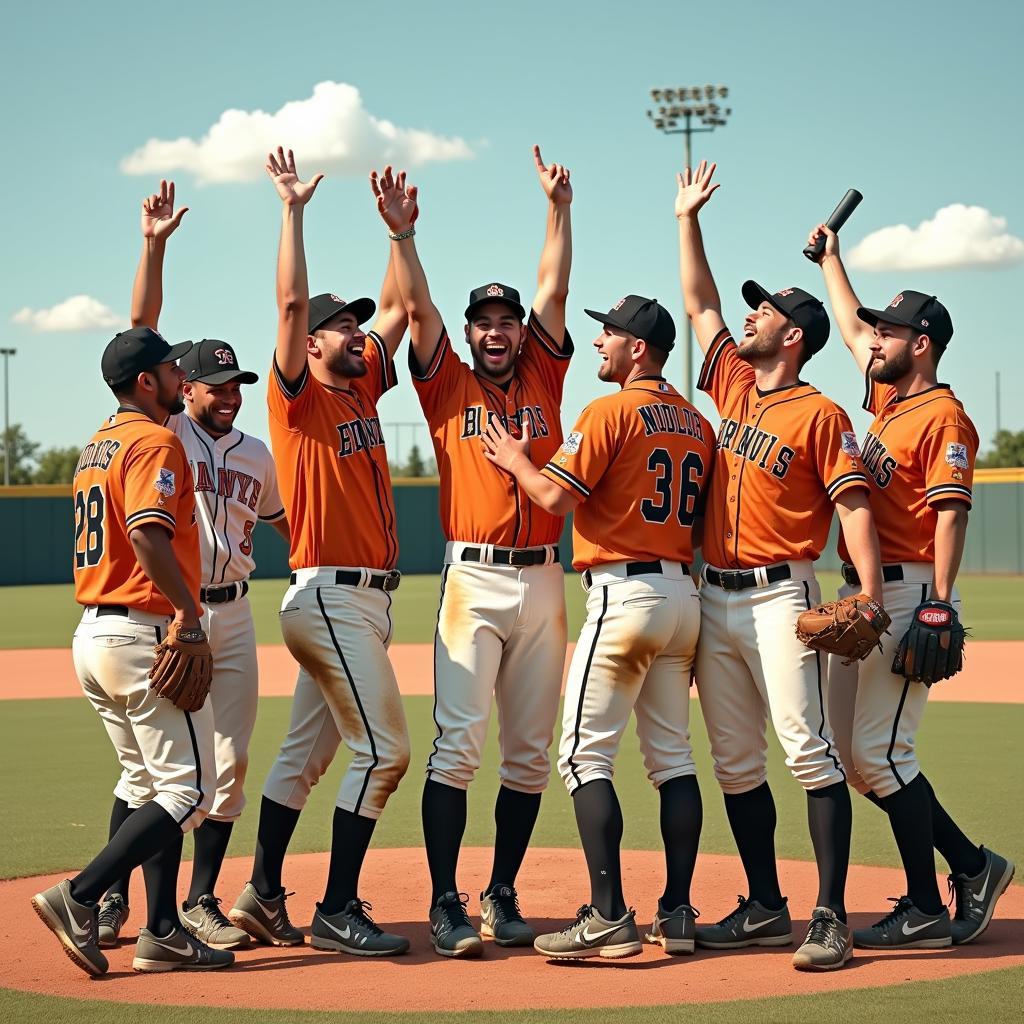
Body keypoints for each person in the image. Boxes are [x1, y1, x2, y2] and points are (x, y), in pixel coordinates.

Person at [676, 161, 885, 972]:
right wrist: (687, 220)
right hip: (714, 598)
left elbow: (854, 505)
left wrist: (865, 592)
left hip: (780, 598)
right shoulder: (732, 382)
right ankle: (767, 904)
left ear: (792, 335)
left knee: (806, 752)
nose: (751, 317)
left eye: (764, 312)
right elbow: (700, 304)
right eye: (754, 308)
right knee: (735, 761)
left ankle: (829, 915)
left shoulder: (822, 412)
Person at [370, 151, 573, 957]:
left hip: (546, 581)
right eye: (483, 321)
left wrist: (559, 208)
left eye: (506, 320)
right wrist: (404, 236)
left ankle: (502, 890)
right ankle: (446, 901)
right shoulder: (444, 382)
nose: (496, 330)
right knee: (459, 746)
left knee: (527, 754)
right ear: (471, 332)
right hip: (474, 578)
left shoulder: (546, 378)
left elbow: (554, 286)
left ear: (521, 330)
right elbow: (415, 312)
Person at [92, 181, 292, 953]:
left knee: (227, 765)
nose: (231, 395)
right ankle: (113, 898)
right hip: (175, 612)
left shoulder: (256, 455)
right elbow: (139, 331)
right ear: (183, 386)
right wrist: (154, 246)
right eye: (215, 383)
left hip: (232, 611)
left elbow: (283, 524)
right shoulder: (161, 425)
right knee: (152, 771)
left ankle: (200, 901)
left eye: (239, 384)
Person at [483, 295, 714, 960]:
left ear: (638, 347)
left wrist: (515, 460)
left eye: (609, 334)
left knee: (584, 758)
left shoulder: (610, 410)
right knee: (673, 759)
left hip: (623, 594)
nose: (599, 345)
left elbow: (554, 497)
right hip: (681, 594)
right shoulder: (697, 421)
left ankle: (608, 915)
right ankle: (677, 912)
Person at [806, 221, 1016, 949]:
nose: (875, 340)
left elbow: (951, 514)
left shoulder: (944, 414)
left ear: (919, 344)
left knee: (881, 755)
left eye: (889, 333)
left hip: (914, 589)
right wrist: (834, 260)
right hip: (872, 592)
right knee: (847, 752)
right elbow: (845, 326)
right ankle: (971, 865)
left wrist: (938, 602)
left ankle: (928, 905)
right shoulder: (887, 405)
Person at [228, 147, 411, 957]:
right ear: (310, 340)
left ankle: (264, 894)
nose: (354, 331)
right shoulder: (294, 396)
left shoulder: (365, 381)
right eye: (339, 324)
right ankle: (338, 906)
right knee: (387, 753)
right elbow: (292, 300)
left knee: (306, 754)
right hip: (330, 595)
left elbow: (401, 313)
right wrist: (293, 210)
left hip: (363, 602)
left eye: (352, 324)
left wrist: (400, 237)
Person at [32, 326, 233, 974]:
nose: (181, 377)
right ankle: (81, 895)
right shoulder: (155, 439)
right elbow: (149, 533)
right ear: (146, 381)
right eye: (173, 369)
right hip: (141, 628)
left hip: (93, 635)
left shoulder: (98, 444)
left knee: (147, 784)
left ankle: (164, 929)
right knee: (191, 792)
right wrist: (188, 612)